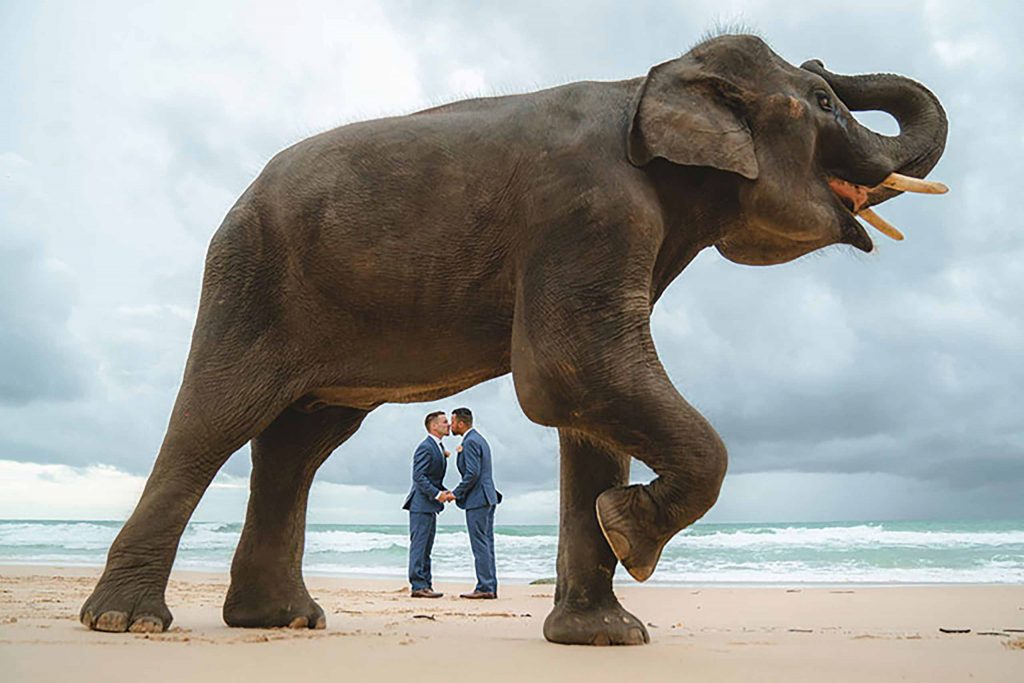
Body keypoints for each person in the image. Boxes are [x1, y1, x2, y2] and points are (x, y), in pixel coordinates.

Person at [441, 407, 502, 599]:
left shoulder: (471, 441)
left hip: (478, 499)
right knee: (486, 542)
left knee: (480, 544)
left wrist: (456, 493)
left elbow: (472, 473)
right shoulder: (478, 439)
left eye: (452, 421)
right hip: (486, 497)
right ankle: (489, 586)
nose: (450, 426)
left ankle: (485, 587)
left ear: (460, 423)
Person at [402, 411, 451, 598]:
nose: (448, 425)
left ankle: (426, 584)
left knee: (427, 548)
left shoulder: (438, 446)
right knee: (419, 546)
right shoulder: (425, 447)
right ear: (434, 426)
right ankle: (418, 586)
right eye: (444, 422)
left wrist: (444, 492)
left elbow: (432, 478)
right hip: (421, 504)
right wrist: (438, 494)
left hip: (429, 505)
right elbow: (419, 477)